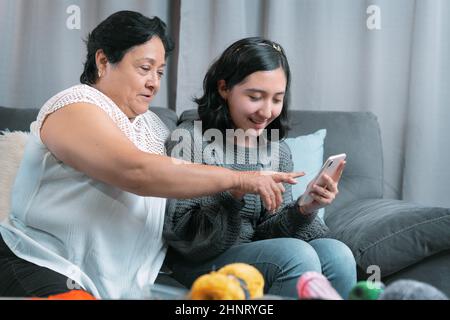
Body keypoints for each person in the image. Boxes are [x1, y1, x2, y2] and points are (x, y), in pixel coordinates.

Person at [0, 12, 301, 299]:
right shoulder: (74, 105)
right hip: (43, 262)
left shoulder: (154, 128)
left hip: (130, 282)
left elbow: (182, 185)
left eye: (159, 72)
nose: (154, 82)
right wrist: (240, 179)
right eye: (144, 69)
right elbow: (136, 172)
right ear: (103, 61)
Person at [163, 37, 357, 299]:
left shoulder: (276, 150)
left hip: (258, 256)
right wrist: (236, 188)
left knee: (337, 254)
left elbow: (268, 232)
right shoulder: (189, 141)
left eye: (277, 99)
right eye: (255, 97)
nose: (267, 111)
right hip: (197, 261)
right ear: (224, 88)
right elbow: (187, 241)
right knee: (295, 256)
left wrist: (304, 208)